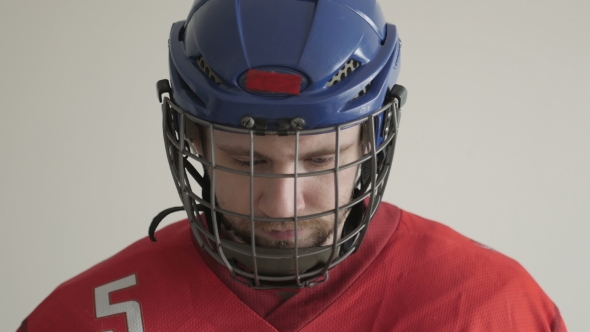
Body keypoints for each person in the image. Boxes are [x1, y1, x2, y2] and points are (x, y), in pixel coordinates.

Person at [18, 0, 566, 331]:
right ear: (194, 140)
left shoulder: (495, 309)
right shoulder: (79, 321)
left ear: (372, 139)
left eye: (322, 159)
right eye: (244, 158)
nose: (281, 203)